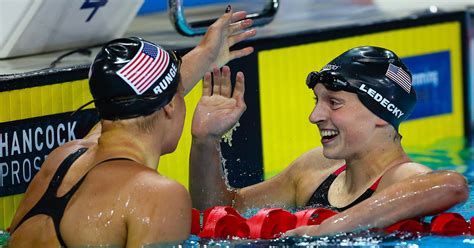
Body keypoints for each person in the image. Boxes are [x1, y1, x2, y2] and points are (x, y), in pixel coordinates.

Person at [8, 7, 256, 247]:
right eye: (180, 93)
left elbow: (122, 108)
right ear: (169, 105)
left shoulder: (63, 159)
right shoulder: (157, 196)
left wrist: (206, 53)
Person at [189, 46, 469, 236]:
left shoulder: (405, 179)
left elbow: (453, 185)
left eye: (334, 103)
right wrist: (205, 141)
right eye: (317, 101)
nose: (314, 116)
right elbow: (217, 211)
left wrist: (329, 228)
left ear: (381, 113)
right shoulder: (313, 169)